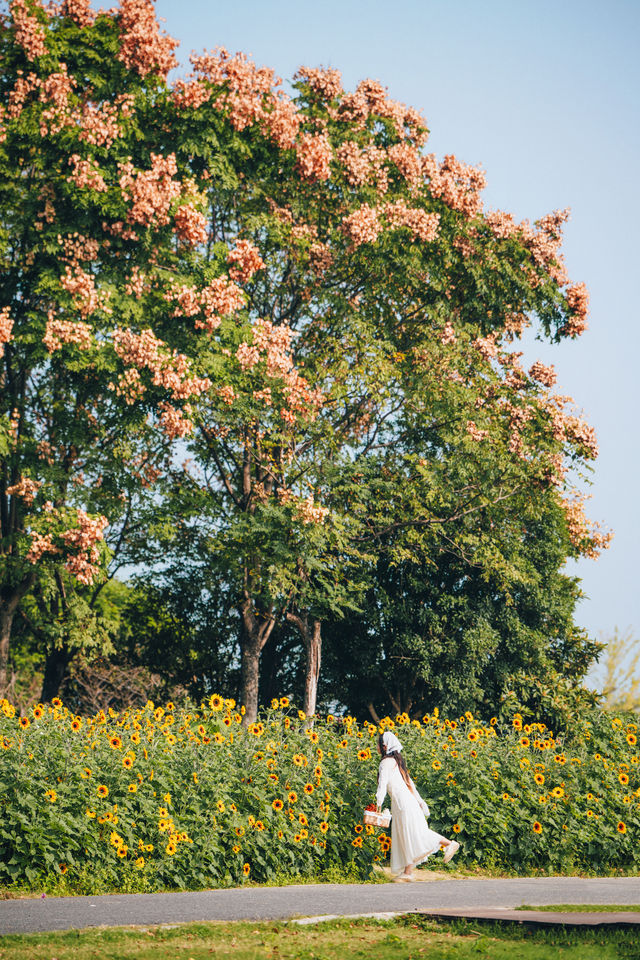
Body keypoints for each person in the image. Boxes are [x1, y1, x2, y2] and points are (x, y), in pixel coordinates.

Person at [375, 730, 460, 882]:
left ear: (384, 745)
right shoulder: (396, 762)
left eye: (377, 744)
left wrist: (378, 804)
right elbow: (410, 784)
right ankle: (408, 873)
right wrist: (420, 801)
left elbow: (382, 785)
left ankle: (449, 843)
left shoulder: (386, 763)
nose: (376, 747)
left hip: (403, 804)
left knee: (416, 834)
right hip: (405, 803)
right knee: (406, 836)